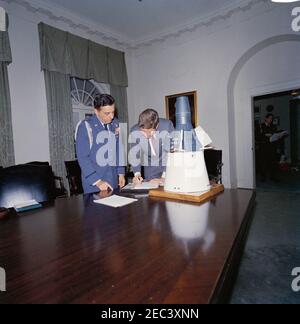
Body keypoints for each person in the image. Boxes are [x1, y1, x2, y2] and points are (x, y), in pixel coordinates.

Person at [76, 94, 125, 193]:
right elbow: (83, 157)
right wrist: (97, 181)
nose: (112, 116)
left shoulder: (115, 123)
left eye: (113, 112)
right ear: (96, 111)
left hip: (113, 179)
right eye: (107, 113)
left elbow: (119, 149)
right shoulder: (86, 126)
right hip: (95, 183)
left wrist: (121, 172)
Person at [129, 109, 174, 185]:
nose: (146, 135)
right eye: (143, 132)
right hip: (150, 168)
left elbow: (172, 152)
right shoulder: (134, 131)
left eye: (149, 132)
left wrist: (164, 177)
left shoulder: (167, 126)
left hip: (168, 165)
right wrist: (137, 175)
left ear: (156, 126)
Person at [259, 113, 277, 181]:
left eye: (272, 119)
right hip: (264, 146)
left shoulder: (272, 126)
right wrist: (265, 135)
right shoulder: (261, 126)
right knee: (263, 162)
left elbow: (274, 134)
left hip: (271, 147)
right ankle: (263, 177)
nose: (271, 120)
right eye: (269, 118)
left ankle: (273, 177)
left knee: (272, 162)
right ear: (266, 118)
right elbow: (258, 136)